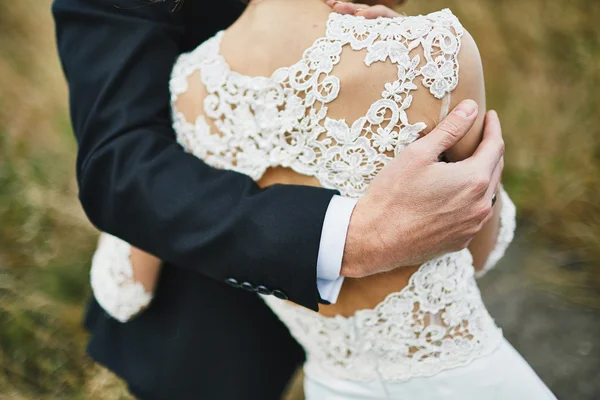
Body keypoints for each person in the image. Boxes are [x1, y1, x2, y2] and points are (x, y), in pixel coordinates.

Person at [52, 0, 526, 399]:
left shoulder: (186, 88)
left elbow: (132, 244)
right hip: (460, 378)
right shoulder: (434, 49)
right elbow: (475, 250)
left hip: (332, 382)